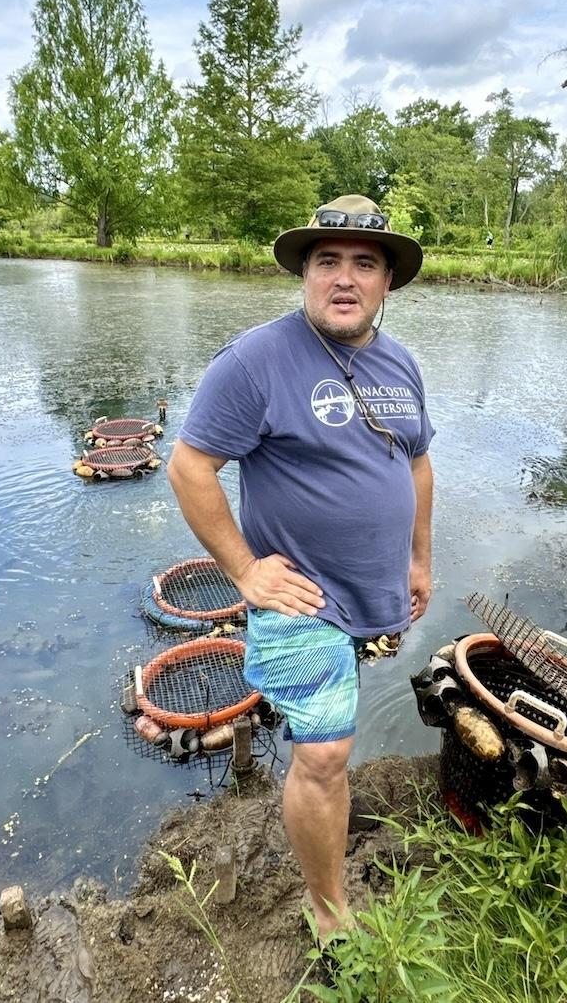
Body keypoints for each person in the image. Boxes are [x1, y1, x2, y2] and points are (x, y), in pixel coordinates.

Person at [168, 194, 434, 939]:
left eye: (364, 263)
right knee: (325, 753)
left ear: (386, 282)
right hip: (299, 597)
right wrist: (247, 571)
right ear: (305, 274)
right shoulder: (255, 360)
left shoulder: (401, 363)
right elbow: (190, 467)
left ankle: (324, 841)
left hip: (376, 593)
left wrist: (419, 557)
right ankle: (328, 910)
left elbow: (417, 465)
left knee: (334, 738)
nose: (344, 278)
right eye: (327, 262)